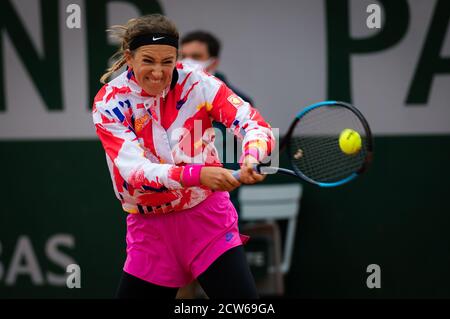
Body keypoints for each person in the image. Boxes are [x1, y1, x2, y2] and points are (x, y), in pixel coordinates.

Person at [92, 14, 275, 299]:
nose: (158, 72)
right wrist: (198, 175)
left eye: (167, 61)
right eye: (148, 61)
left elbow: (254, 124)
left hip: (209, 222)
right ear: (129, 58)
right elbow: (136, 172)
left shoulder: (199, 84)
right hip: (150, 233)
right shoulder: (110, 102)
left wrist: (252, 156)